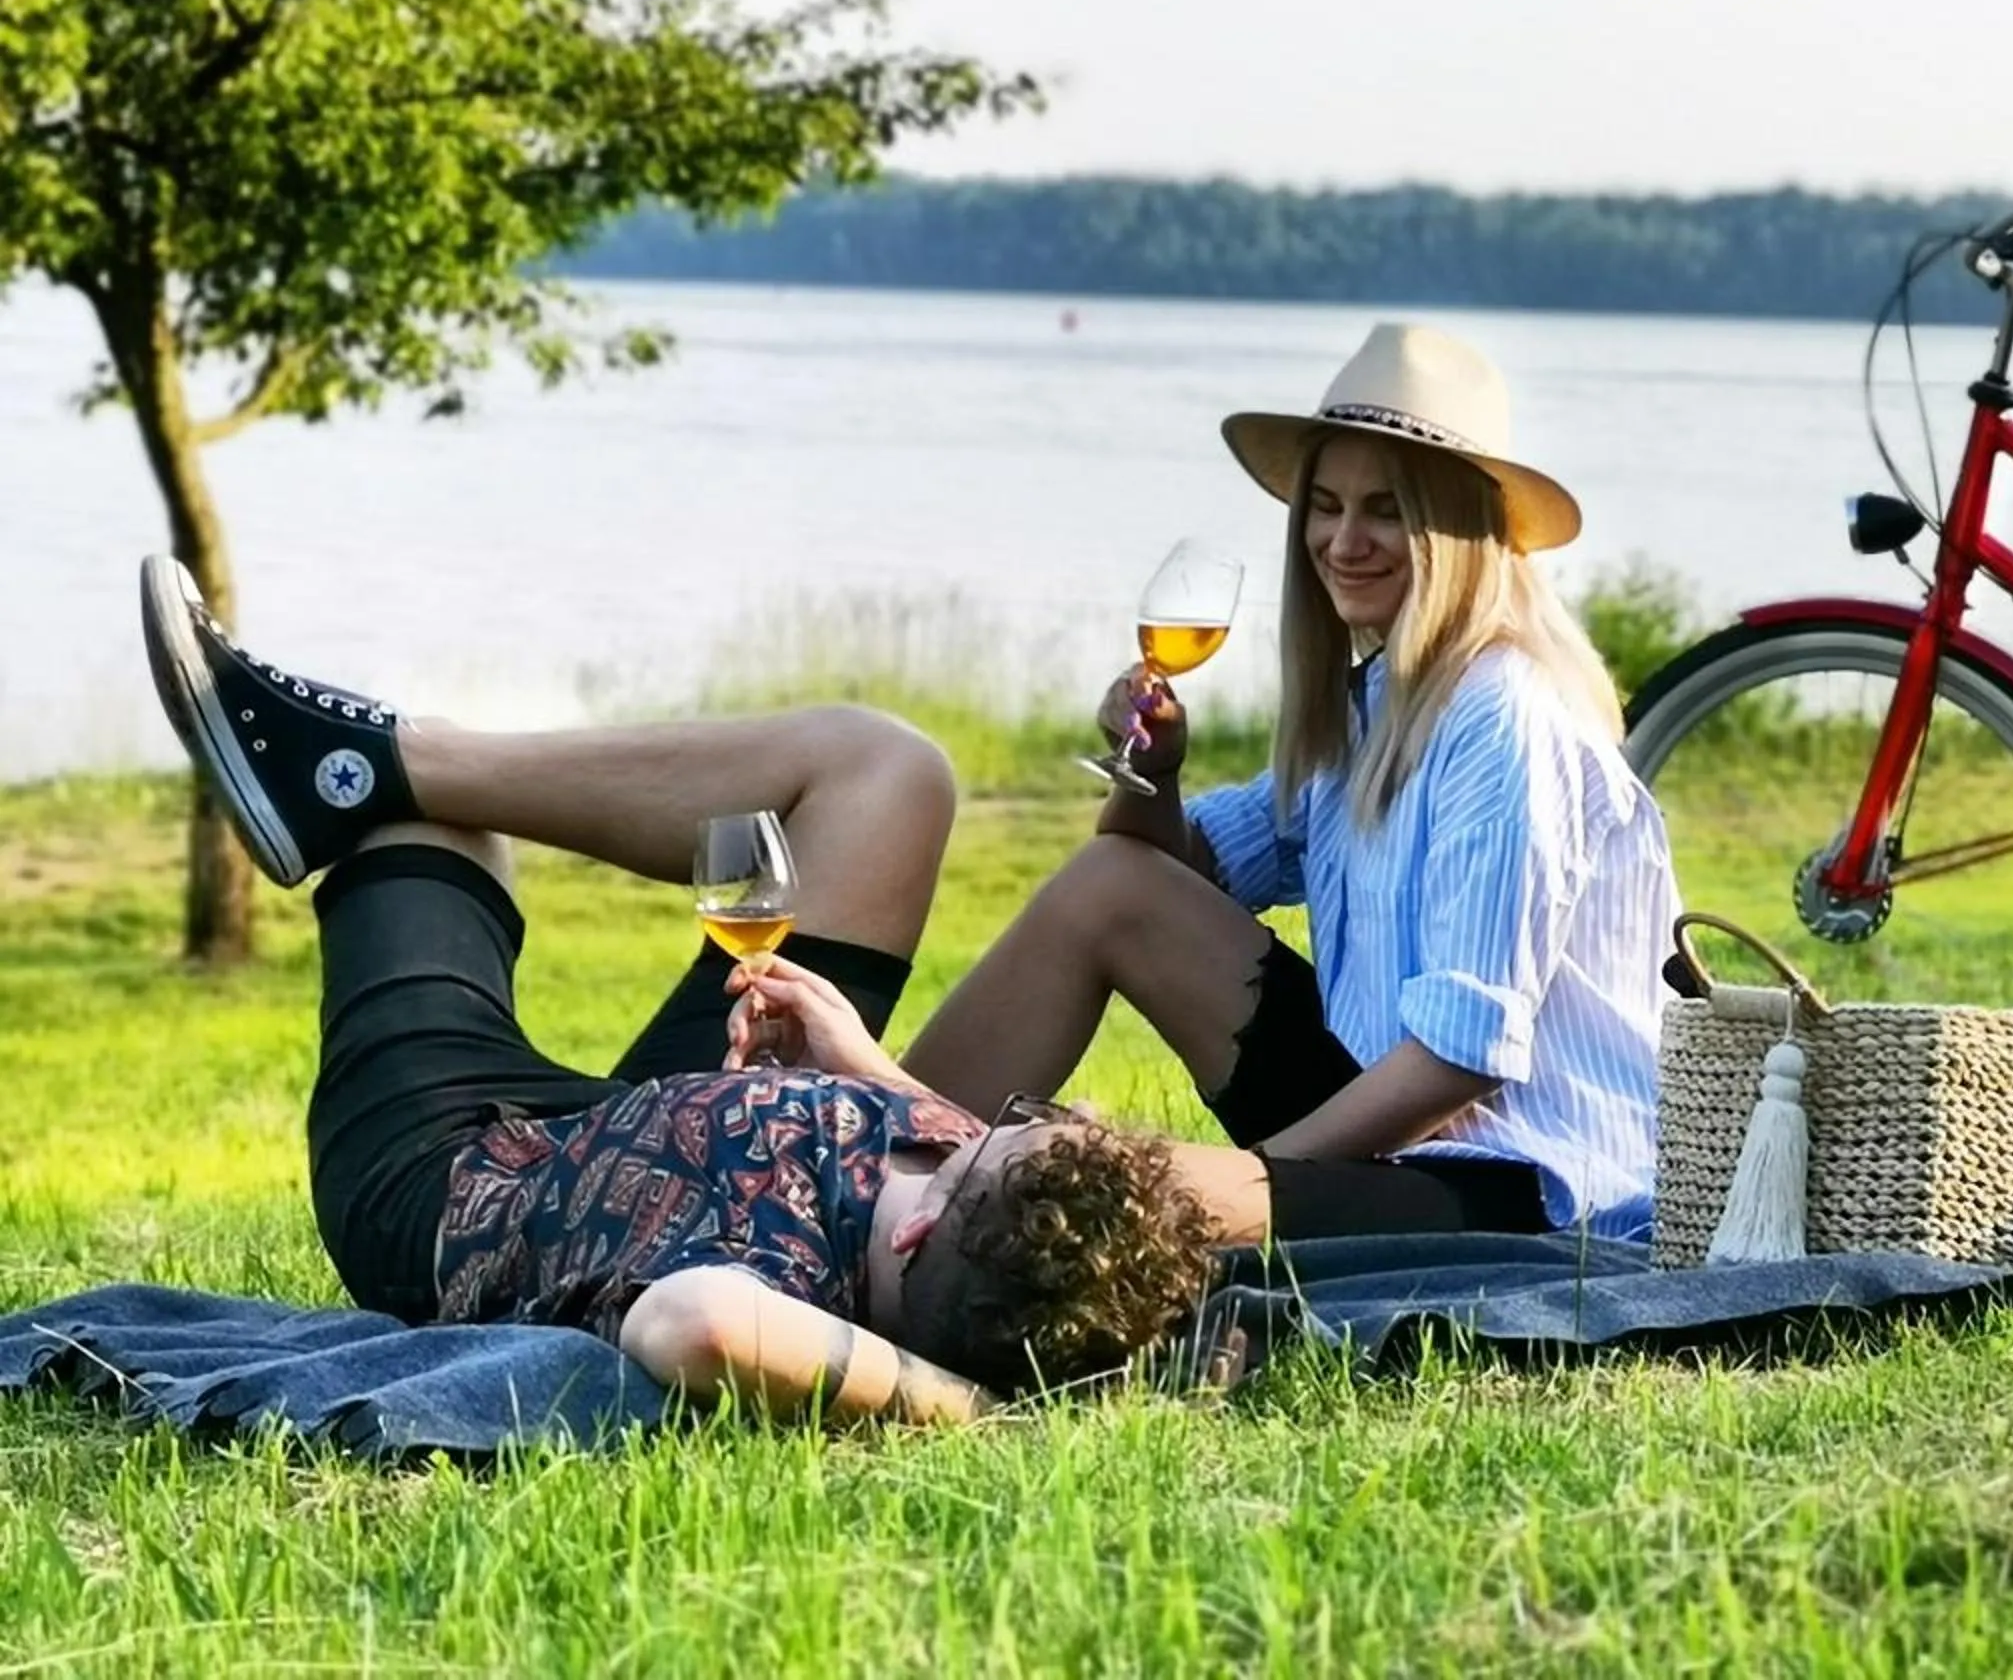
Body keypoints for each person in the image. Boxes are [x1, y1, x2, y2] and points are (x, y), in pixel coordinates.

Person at [134, 556, 1229, 1422]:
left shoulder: (765, 1280)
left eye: (1008, 1126)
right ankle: (381, 753)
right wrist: (860, 1069)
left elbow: (698, 1327)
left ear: (916, 1234)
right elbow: (1018, 1201)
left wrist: (967, 1404)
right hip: (630, 1116)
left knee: (423, 834)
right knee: (888, 771)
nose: (976, 1122)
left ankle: (346, 772)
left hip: (446, 1175)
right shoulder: (976, 1212)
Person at [897, 322, 1684, 1242]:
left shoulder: (1501, 714)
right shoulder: (1378, 704)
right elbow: (1162, 879)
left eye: (1385, 510)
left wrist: (1257, 1178)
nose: (1343, 542)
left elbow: (1461, 1061)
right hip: (1394, 1116)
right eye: (1326, 506)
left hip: (1525, 1182)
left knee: (1085, 1198)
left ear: (1457, 530)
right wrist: (1152, 773)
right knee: (1108, 884)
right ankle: (873, 1155)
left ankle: (897, 1196)